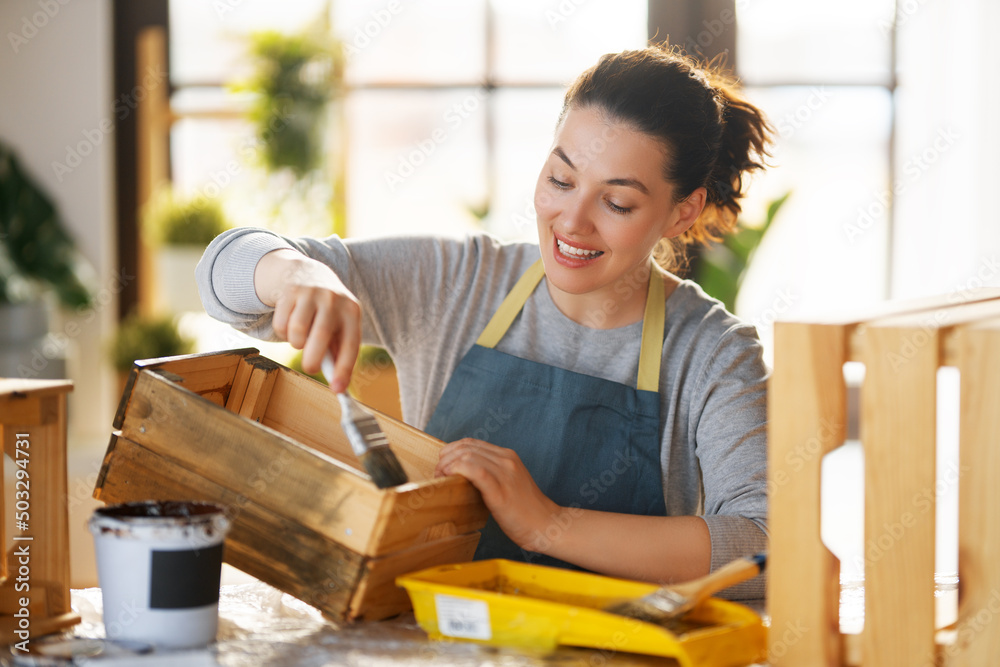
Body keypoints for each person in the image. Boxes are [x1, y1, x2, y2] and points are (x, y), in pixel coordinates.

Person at [197, 44, 771, 601]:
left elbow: (766, 549)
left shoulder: (713, 353)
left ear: (682, 211)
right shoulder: (458, 282)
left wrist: (549, 522)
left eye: (616, 203)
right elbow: (223, 271)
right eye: (561, 180)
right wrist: (297, 274)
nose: (571, 222)